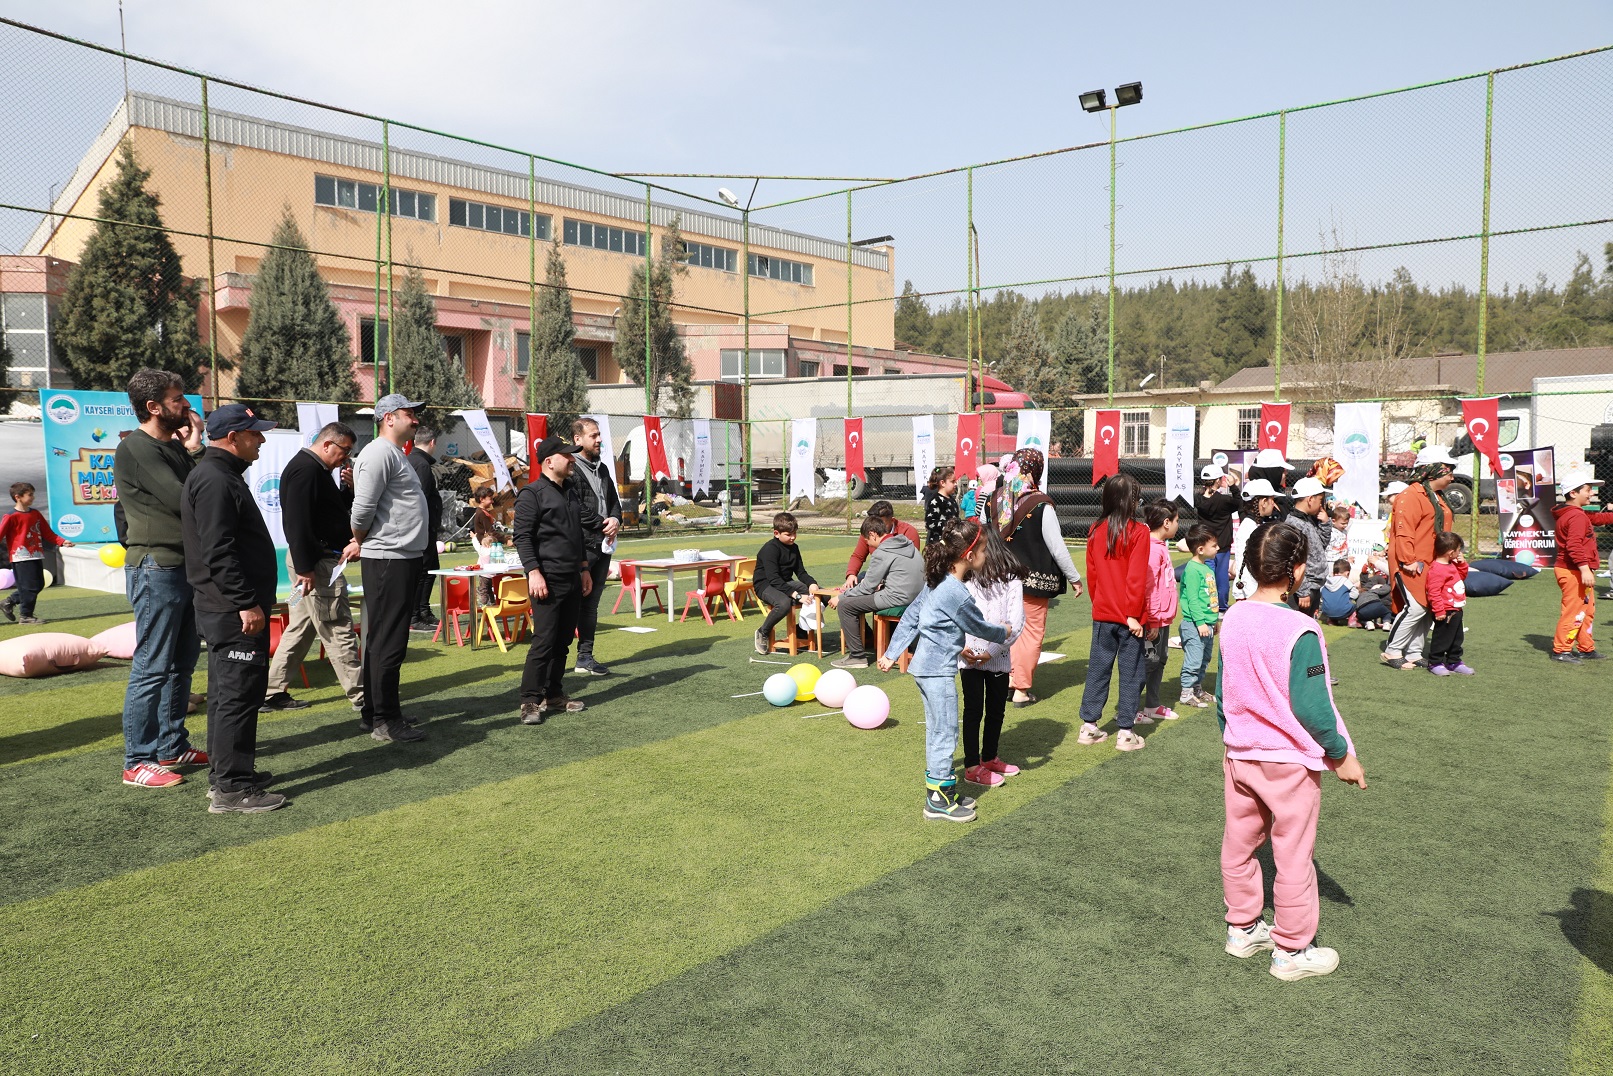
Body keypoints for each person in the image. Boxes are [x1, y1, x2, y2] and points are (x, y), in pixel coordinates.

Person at [1218, 520, 1366, 982]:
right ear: (1297, 570)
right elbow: (1312, 706)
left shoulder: (1233, 617)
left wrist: (1230, 735)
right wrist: (1341, 755)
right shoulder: (1300, 629)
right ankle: (1292, 950)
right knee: (1294, 855)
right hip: (1289, 761)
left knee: (1239, 844)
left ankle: (1243, 929)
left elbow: (1223, 691)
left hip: (1240, 753)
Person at [181, 404, 286, 813]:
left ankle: (226, 777)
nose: (261, 440)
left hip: (225, 606)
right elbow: (218, 551)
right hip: (230, 609)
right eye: (254, 433)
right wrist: (245, 602)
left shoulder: (220, 474)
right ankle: (232, 788)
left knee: (230, 694)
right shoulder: (214, 479)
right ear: (233, 437)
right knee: (238, 695)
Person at [879, 517, 1013, 823]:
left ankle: (944, 790)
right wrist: (1003, 631)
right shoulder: (955, 591)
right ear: (969, 555)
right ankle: (937, 801)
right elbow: (978, 626)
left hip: (926, 668)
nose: (986, 555)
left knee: (938, 730)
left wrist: (891, 654)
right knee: (945, 732)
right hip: (936, 671)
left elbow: (912, 616)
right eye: (984, 550)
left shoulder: (938, 581)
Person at [114, 368, 207, 789]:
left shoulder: (170, 446)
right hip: (157, 567)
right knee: (152, 667)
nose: (185, 405)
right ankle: (137, 761)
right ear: (153, 407)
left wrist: (194, 447)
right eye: (177, 399)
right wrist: (196, 451)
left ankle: (171, 746)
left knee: (181, 664)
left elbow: (199, 488)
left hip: (182, 566)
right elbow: (187, 498)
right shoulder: (136, 447)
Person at [262, 422, 363, 713]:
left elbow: (329, 513)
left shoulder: (314, 469)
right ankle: (363, 698)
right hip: (314, 566)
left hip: (308, 564)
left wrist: (349, 490)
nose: (345, 458)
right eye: (344, 451)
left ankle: (271, 692)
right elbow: (297, 523)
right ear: (327, 444)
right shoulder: (306, 470)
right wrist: (306, 568)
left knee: (300, 625)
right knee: (337, 627)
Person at [350, 394, 430, 742]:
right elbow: (361, 510)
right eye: (409, 413)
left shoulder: (393, 453)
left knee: (383, 639)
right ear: (388, 418)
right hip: (388, 558)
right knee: (389, 641)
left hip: (398, 557)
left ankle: (377, 712)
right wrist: (360, 538)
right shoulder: (379, 453)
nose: (415, 419)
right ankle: (385, 719)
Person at [513, 435, 594, 725]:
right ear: (549, 462)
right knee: (544, 641)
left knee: (563, 641)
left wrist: (584, 568)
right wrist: (534, 572)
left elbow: (577, 533)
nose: (572, 460)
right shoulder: (531, 494)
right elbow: (522, 537)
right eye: (567, 455)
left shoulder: (569, 491)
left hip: (572, 576)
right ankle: (529, 701)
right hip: (547, 578)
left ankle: (554, 694)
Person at [995, 448, 1083, 708]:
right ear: (1037, 470)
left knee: (1004, 631)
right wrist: (1075, 578)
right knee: (1030, 632)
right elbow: (1057, 546)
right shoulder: (1041, 504)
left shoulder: (995, 499)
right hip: (1031, 582)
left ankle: (1006, 681)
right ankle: (1021, 689)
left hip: (998, 579)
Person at [1076, 472, 1150, 752]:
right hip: (1129, 617)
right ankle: (1126, 732)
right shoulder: (1139, 531)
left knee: (1098, 669)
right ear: (1132, 500)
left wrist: (1100, 604)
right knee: (1130, 672)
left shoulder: (1096, 529)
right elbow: (1136, 577)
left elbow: (1093, 575)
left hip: (1103, 613)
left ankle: (1089, 726)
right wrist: (1132, 614)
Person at [956, 526, 1027, 788]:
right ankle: (972, 765)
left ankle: (989, 757)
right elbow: (954, 617)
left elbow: (1015, 624)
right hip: (968, 658)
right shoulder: (966, 578)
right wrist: (962, 648)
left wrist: (991, 652)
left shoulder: (1011, 580)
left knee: (996, 710)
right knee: (973, 710)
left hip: (997, 657)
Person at [1384, 446, 1458, 671]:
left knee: (1427, 607)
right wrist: (1408, 560)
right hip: (1412, 561)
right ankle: (1392, 650)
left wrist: (1451, 553)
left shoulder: (1436, 496)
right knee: (1415, 607)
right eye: (1448, 471)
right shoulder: (1410, 496)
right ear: (1434, 471)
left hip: (1433, 562)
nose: (1452, 477)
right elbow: (1404, 530)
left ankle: (1414, 653)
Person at [828, 515, 923, 669]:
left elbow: (867, 587)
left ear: (872, 534)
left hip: (897, 597)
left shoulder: (882, 551)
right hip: (918, 596)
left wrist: (841, 596)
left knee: (845, 605)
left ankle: (857, 657)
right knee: (861, 597)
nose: (868, 544)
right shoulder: (907, 544)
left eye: (867, 540)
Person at [568, 417, 622, 676]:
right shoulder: (571, 469)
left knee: (591, 605)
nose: (599, 440)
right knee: (572, 603)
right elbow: (576, 509)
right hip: (582, 547)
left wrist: (616, 520)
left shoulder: (603, 468)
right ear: (578, 439)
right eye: (594, 435)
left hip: (603, 546)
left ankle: (585, 657)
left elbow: (614, 501)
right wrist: (604, 523)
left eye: (599, 434)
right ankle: (555, 661)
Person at [1549, 466, 1609, 664]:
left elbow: (1598, 518)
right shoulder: (1575, 516)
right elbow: (1573, 545)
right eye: (1588, 489)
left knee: (1587, 611)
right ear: (1573, 493)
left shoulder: (1576, 513)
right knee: (1574, 611)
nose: (1592, 493)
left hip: (1576, 569)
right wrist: (1584, 569)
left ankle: (1586, 648)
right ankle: (1561, 650)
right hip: (1573, 570)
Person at [0, 482, 72, 624]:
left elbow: (47, 532)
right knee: (29, 587)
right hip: (21, 556)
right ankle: (26, 616)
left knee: (38, 584)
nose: (33, 497)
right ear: (18, 497)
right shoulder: (11, 516)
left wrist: (62, 541)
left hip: (36, 554)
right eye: (30, 495)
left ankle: (9, 601)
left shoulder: (35, 514)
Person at [1138, 500, 1182, 725]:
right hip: (1154, 618)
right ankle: (1130, 708)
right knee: (1148, 661)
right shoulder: (1152, 549)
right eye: (1176, 521)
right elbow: (1149, 588)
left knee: (1159, 659)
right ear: (1166, 523)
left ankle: (1152, 705)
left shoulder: (1161, 546)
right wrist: (1153, 619)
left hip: (1162, 617)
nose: (1178, 525)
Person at [753, 512, 821, 654]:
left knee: (821, 594)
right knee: (784, 603)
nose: (793, 537)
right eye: (788, 534)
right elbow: (773, 579)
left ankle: (800, 629)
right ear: (776, 533)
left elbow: (801, 572)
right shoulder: (770, 549)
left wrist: (812, 583)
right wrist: (797, 596)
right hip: (765, 585)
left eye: (795, 533)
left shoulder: (794, 548)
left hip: (785, 583)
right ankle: (763, 631)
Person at [1177, 523, 1219, 709]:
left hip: (1207, 624)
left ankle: (1197, 689)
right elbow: (1192, 599)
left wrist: (1214, 621)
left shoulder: (1207, 568)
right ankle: (1186, 693)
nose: (1218, 548)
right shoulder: (1192, 569)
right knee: (1194, 660)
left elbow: (1210, 597)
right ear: (1201, 549)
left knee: (1204, 659)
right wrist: (1200, 622)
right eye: (1214, 545)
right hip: (1194, 625)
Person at [407, 426, 444, 632]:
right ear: (432, 443)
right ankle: (415, 616)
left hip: (425, 527)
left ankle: (423, 611)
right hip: (422, 528)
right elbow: (418, 499)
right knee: (423, 572)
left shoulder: (414, 461)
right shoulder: (421, 464)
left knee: (430, 570)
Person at [1425, 531, 1474, 675]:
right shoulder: (1437, 570)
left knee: (1457, 638)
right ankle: (1435, 662)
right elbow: (1433, 592)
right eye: (1458, 550)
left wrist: (1462, 564)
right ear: (1451, 553)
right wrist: (1439, 611)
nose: (1460, 553)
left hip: (1456, 609)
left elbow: (1461, 577)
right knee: (1442, 638)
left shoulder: (1451, 564)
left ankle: (1454, 661)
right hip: (1445, 611)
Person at [1194, 464, 1239, 611]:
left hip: (1205, 544)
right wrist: (1233, 487)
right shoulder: (1224, 500)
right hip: (1222, 544)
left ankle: (1208, 605)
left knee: (1207, 576)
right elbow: (1239, 503)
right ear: (1218, 481)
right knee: (1221, 577)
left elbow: (1205, 497)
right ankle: (1221, 607)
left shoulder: (1198, 499)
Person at [843, 501, 921, 586]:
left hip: (899, 580)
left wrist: (882, 582)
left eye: (881, 524)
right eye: (873, 522)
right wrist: (851, 574)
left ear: (892, 520)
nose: (876, 528)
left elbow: (909, 565)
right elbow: (858, 556)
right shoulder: (870, 531)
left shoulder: (908, 532)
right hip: (877, 575)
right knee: (857, 581)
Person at [1230, 479, 1282, 602]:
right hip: (1250, 595)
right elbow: (1245, 566)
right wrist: (1254, 596)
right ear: (1263, 502)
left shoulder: (1255, 525)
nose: (1273, 504)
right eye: (1272, 499)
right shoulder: (1248, 528)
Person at [1284, 476, 1331, 616]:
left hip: (1313, 585)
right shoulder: (1294, 524)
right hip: (1303, 589)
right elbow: (1291, 560)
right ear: (1310, 499)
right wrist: (1303, 590)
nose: (1321, 505)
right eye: (1320, 500)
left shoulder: (1307, 521)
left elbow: (1320, 546)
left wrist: (1325, 524)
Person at [469, 486, 509, 604]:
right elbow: (491, 532)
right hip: (487, 547)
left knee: (491, 577)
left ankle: (492, 601)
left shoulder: (483, 512)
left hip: (488, 546)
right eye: (490, 498)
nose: (492, 501)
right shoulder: (481, 514)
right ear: (482, 499)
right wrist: (506, 541)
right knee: (488, 577)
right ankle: (484, 598)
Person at [1355, 548, 1393, 630]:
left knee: (1362, 617)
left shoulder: (1360, 594)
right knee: (1387, 612)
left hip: (1361, 609)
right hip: (1376, 603)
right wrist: (1382, 587)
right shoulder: (1375, 590)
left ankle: (1368, 622)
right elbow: (1385, 589)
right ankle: (1386, 623)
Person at [922, 466, 959, 546]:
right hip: (938, 544)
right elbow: (930, 522)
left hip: (951, 542)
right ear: (942, 483)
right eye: (952, 482)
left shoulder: (952, 500)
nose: (955, 484)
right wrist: (948, 526)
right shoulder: (935, 500)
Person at [1319, 559, 1359, 626]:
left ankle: (1331, 620)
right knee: (1356, 605)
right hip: (1343, 611)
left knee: (1333, 603)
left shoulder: (1327, 582)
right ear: (1347, 573)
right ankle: (1352, 620)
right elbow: (1355, 594)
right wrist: (1346, 596)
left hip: (1327, 612)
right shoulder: (1346, 581)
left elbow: (1322, 592)